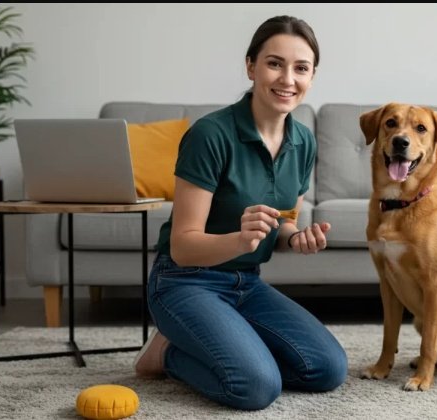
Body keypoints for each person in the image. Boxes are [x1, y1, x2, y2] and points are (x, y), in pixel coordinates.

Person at [132, 16, 347, 411]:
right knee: (255, 387)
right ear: (251, 66)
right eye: (274, 63)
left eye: (301, 68)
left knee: (328, 369)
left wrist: (295, 237)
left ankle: (222, 338)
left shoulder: (303, 141)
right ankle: (165, 355)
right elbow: (182, 246)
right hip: (185, 282)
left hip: (245, 284)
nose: (287, 78)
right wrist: (240, 239)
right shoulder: (210, 135)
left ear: (312, 77)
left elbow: (283, 221)